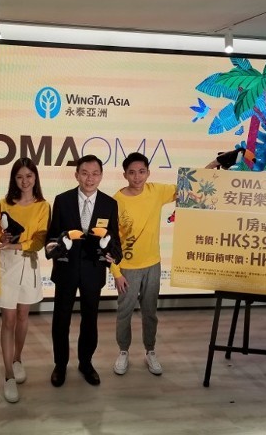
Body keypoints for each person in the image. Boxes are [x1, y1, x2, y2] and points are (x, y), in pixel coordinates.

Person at [45, 154, 122, 387]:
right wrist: (59, 246)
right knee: (61, 319)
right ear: (76, 175)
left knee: (90, 319)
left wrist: (113, 254)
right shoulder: (62, 200)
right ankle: (60, 364)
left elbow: (115, 242)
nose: (90, 178)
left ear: (101, 176)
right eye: (85, 173)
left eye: (95, 173)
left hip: (93, 271)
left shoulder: (109, 204)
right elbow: (52, 238)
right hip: (66, 270)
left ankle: (86, 363)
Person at [0, 157, 50, 403]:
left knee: (23, 316)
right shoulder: (4, 203)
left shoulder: (43, 205)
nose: (25, 181)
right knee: (9, 319)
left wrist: (15, 245)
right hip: (6, 265)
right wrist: (3, 239)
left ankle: (17, 358)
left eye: (29, 176)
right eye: (20, 176)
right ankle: (8, 375)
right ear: (14, 179)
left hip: (28, 264)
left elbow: (40, 240)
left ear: (35, 178)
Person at [110, 152, 176, 376]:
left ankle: (150, 350)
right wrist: (116, 272)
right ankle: (123, 351)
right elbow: (109, 241)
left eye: (141, 172)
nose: (137, 177)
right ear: (124, 175)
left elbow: (189, 184)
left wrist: (215, 163)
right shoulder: (116, 201)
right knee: (124, 312)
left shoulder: (156, 191)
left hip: (153, 264)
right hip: (127, 268)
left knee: (150, 311)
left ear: (148, 173)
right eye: (132, 172)